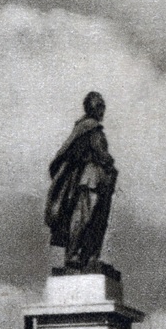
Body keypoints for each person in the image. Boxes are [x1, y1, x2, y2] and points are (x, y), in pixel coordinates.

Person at [45, 91, 119, 270]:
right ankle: (73, 255)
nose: (102, 110)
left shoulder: (89, 128)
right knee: (84, 217)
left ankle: (89, 257)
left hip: (100, 181)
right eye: (100, 106)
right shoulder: (89, 127)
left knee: (98, 220)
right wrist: (108, 162)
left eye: (103, 106)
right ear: (93, 108)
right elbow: (101, 154)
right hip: (89, 179)